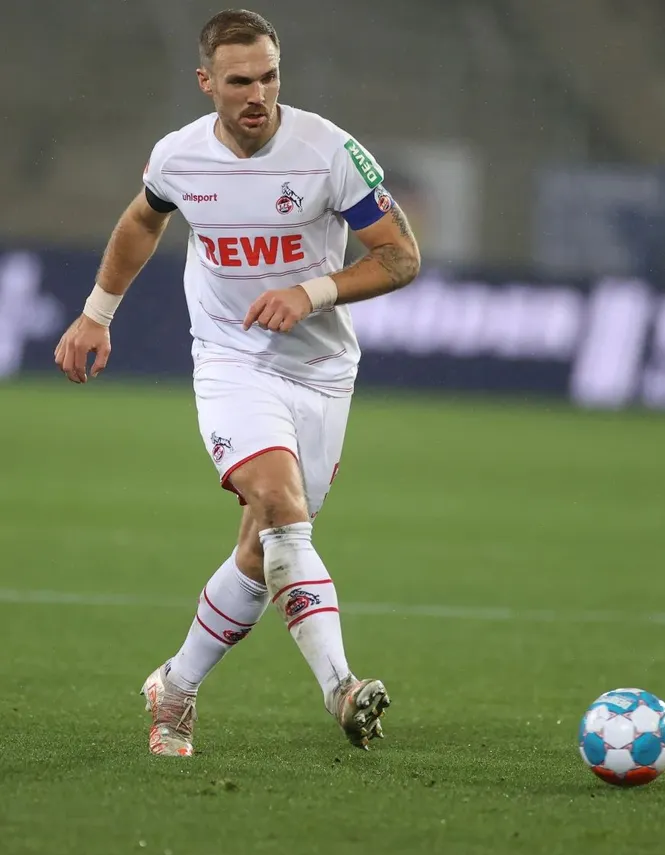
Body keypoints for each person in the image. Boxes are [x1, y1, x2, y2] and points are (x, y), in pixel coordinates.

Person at [54, 8, 421, 757]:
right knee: (282, 508)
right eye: (240, 81)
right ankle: (341, 687)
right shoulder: (179, 156)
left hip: (322, 372)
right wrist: (96, 313)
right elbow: (142, 220)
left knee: (263, 549)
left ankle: (176, 686)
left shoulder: (328, 153)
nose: (258, 95)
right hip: (231, 358)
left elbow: (400, 256)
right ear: (206, 82)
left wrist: (311, 293)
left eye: (269, 77)